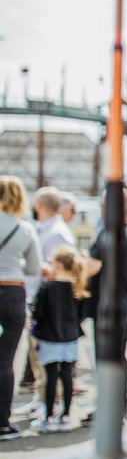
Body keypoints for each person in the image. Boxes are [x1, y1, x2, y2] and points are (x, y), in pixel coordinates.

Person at [80, 188, 127, 426]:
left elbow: (92, 267)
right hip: (123, 303)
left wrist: (79, 261)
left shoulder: (110, 234)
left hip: (109, 307)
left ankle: (110, 409)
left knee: (107, 360)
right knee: (117, 360)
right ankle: (116, 407)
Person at [17, 186, 77, 417]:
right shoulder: (45, 229)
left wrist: (43, 269)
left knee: (47, 358)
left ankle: (52, 403)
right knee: (37, 357)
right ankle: (41, 399)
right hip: (35, 298)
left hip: (46, 305)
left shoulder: (57, 233)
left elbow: (62, 271)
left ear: (39, 205)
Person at [30, 246, 87, 432]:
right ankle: (66, 415)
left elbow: (38, 313)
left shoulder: (47, 287)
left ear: (59, 265)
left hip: (49, 337)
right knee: (67, 376)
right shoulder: (77, 289)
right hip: (70, 338)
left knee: (51, 377)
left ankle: (48, 417)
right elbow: (81, 314)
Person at [0, 176, 41, 440]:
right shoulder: (24, 229)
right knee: (5, 359)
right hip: (13, 292)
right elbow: (34, 268)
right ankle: (3, 423)